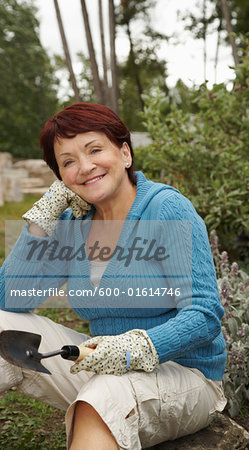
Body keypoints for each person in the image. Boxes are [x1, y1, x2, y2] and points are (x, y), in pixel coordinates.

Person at [0, 102, 227, 449]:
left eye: (94, 150)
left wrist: (133, 349)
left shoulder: (166, 209)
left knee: (103, 397)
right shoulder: (72, 224)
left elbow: (205, 316)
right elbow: (9, 299)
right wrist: (40, 219)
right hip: (100, 368)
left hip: (184, 376)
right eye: (68, 162)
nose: (85, 167)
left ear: (124, 153)